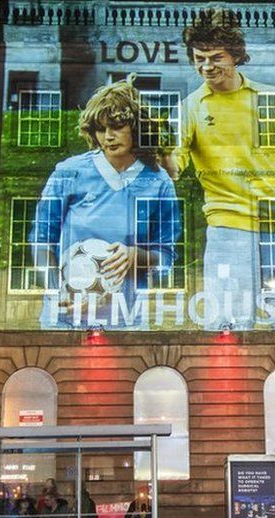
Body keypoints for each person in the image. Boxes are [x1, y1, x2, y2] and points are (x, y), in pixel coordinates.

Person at [168, 9, 275, 331]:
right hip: (227, 231)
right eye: (199, 58)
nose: (206, 66)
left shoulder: (273, 100)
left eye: (215, 57)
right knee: (228, 332)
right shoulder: (189, 109)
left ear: (236, 55)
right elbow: (173, 168)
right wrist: (156, 150)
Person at [30, 76, 181, 329]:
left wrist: (134, 256)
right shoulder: (69, 173)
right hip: (67, 321)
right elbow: (42, 239)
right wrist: (58, 290)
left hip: (127, 320)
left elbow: (166, 256)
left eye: (117, 126)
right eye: (101, 129)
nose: (108, 136)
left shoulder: (159, 182)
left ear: (136, 127)